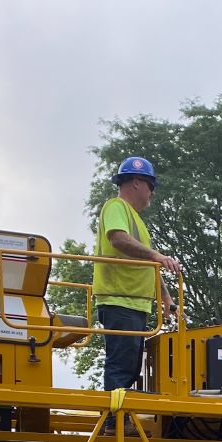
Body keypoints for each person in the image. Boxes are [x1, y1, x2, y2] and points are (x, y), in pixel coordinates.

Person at [93, 156, 182, 391]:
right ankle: (115, 422)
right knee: (121, 366)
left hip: (133, 303)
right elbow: (117, 238)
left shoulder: (137, 222)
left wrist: (165, 297)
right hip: (119, 299)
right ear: (136, 182)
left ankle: (120, 419)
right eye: (151, 186)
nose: (152, 193)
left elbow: (149, 264)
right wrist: (157, 256)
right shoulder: (116, 206)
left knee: (130, 367)